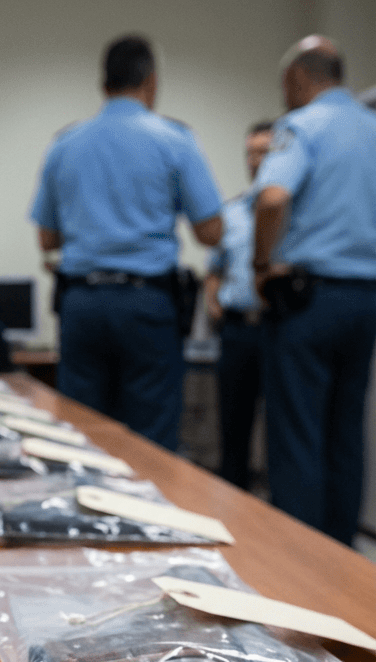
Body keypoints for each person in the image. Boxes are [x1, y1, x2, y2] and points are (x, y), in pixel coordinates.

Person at [30, 35, 223, 451]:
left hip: (82, 304)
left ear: (103, 85)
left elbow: (47, 238)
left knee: (82, 435)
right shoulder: (174, 139)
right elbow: (211, 232)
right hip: (146, 304)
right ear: (151, 83)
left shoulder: (65, 144)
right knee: (150, 441)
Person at [254, 36, 376, 546]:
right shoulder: (372, 128)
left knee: (298, 435)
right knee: (345, 434)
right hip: (364, 299)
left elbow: (273, 198)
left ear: (300, 78)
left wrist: (261, 263)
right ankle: (344, 557)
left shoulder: (301, 126)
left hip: (309, 301)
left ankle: (300, 560)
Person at [204, 122, 274, 490]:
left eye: (264, 151)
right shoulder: (231, 213)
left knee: (283, 434)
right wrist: (214, 305)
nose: (256, 160)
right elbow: (213, 271)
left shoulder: (294, 213)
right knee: (233, 432)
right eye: (251, 152)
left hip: (279, 329)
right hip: (235, 330)